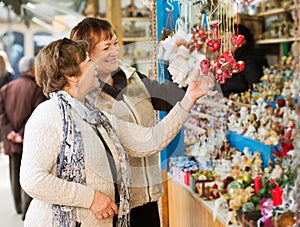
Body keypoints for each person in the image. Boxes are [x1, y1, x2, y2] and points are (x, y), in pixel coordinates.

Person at [19, 38, 216, 226]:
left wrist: (190, 97)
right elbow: (33, 179)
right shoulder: (48, 113)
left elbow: (150, 140)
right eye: (87, 62)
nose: (94, 66)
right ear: (72, 76)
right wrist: (92, 198)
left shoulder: (97, 116)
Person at [70, 17, 187, 227]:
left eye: (115, 43)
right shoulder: (84, 97)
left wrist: (179, 62)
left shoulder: (132, 77)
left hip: (147, 198)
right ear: (86, 53)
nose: (115, 51)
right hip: (111, 206)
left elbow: (173, 97)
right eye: (106, 47)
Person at [0, 56, 47, 219]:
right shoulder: (37, 88)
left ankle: (18, 207)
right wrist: (21, 134)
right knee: (29, 174)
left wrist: (9, 132)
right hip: (29, 141)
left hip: (11, 140)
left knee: (14, 173)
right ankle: (26, 211)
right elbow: (37, 114)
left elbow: (1, 114)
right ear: (33, 70)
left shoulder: (6, 88)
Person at [220, 24, 269, 97]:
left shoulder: (250, 62)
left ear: (241, 42)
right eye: (223, 40)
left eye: (228, 40)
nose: (224, 44)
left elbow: (256, 90)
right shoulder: (231, 60)